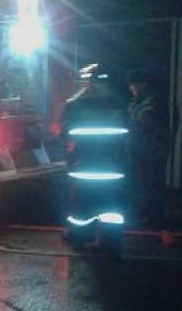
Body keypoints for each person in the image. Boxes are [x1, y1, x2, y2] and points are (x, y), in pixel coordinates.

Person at [58, 64, 128, 253]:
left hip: (84, 167)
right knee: (112, 208)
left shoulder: (74, 103)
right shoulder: (119, 103)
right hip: (113, 168)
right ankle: (111, 243)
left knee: (81, 206)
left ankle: (79, 237)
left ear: (86, 80)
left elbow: (63, 132)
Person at [126, 66, 169, 226]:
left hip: (149, 153)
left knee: (149, 185)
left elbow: (142, 125)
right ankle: (147, 214)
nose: (131, 88)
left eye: (133, 85)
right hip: (143, 151)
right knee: (144, 184)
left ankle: (152, 217)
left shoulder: (152, 104)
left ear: (142, 84)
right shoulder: (143, 102)